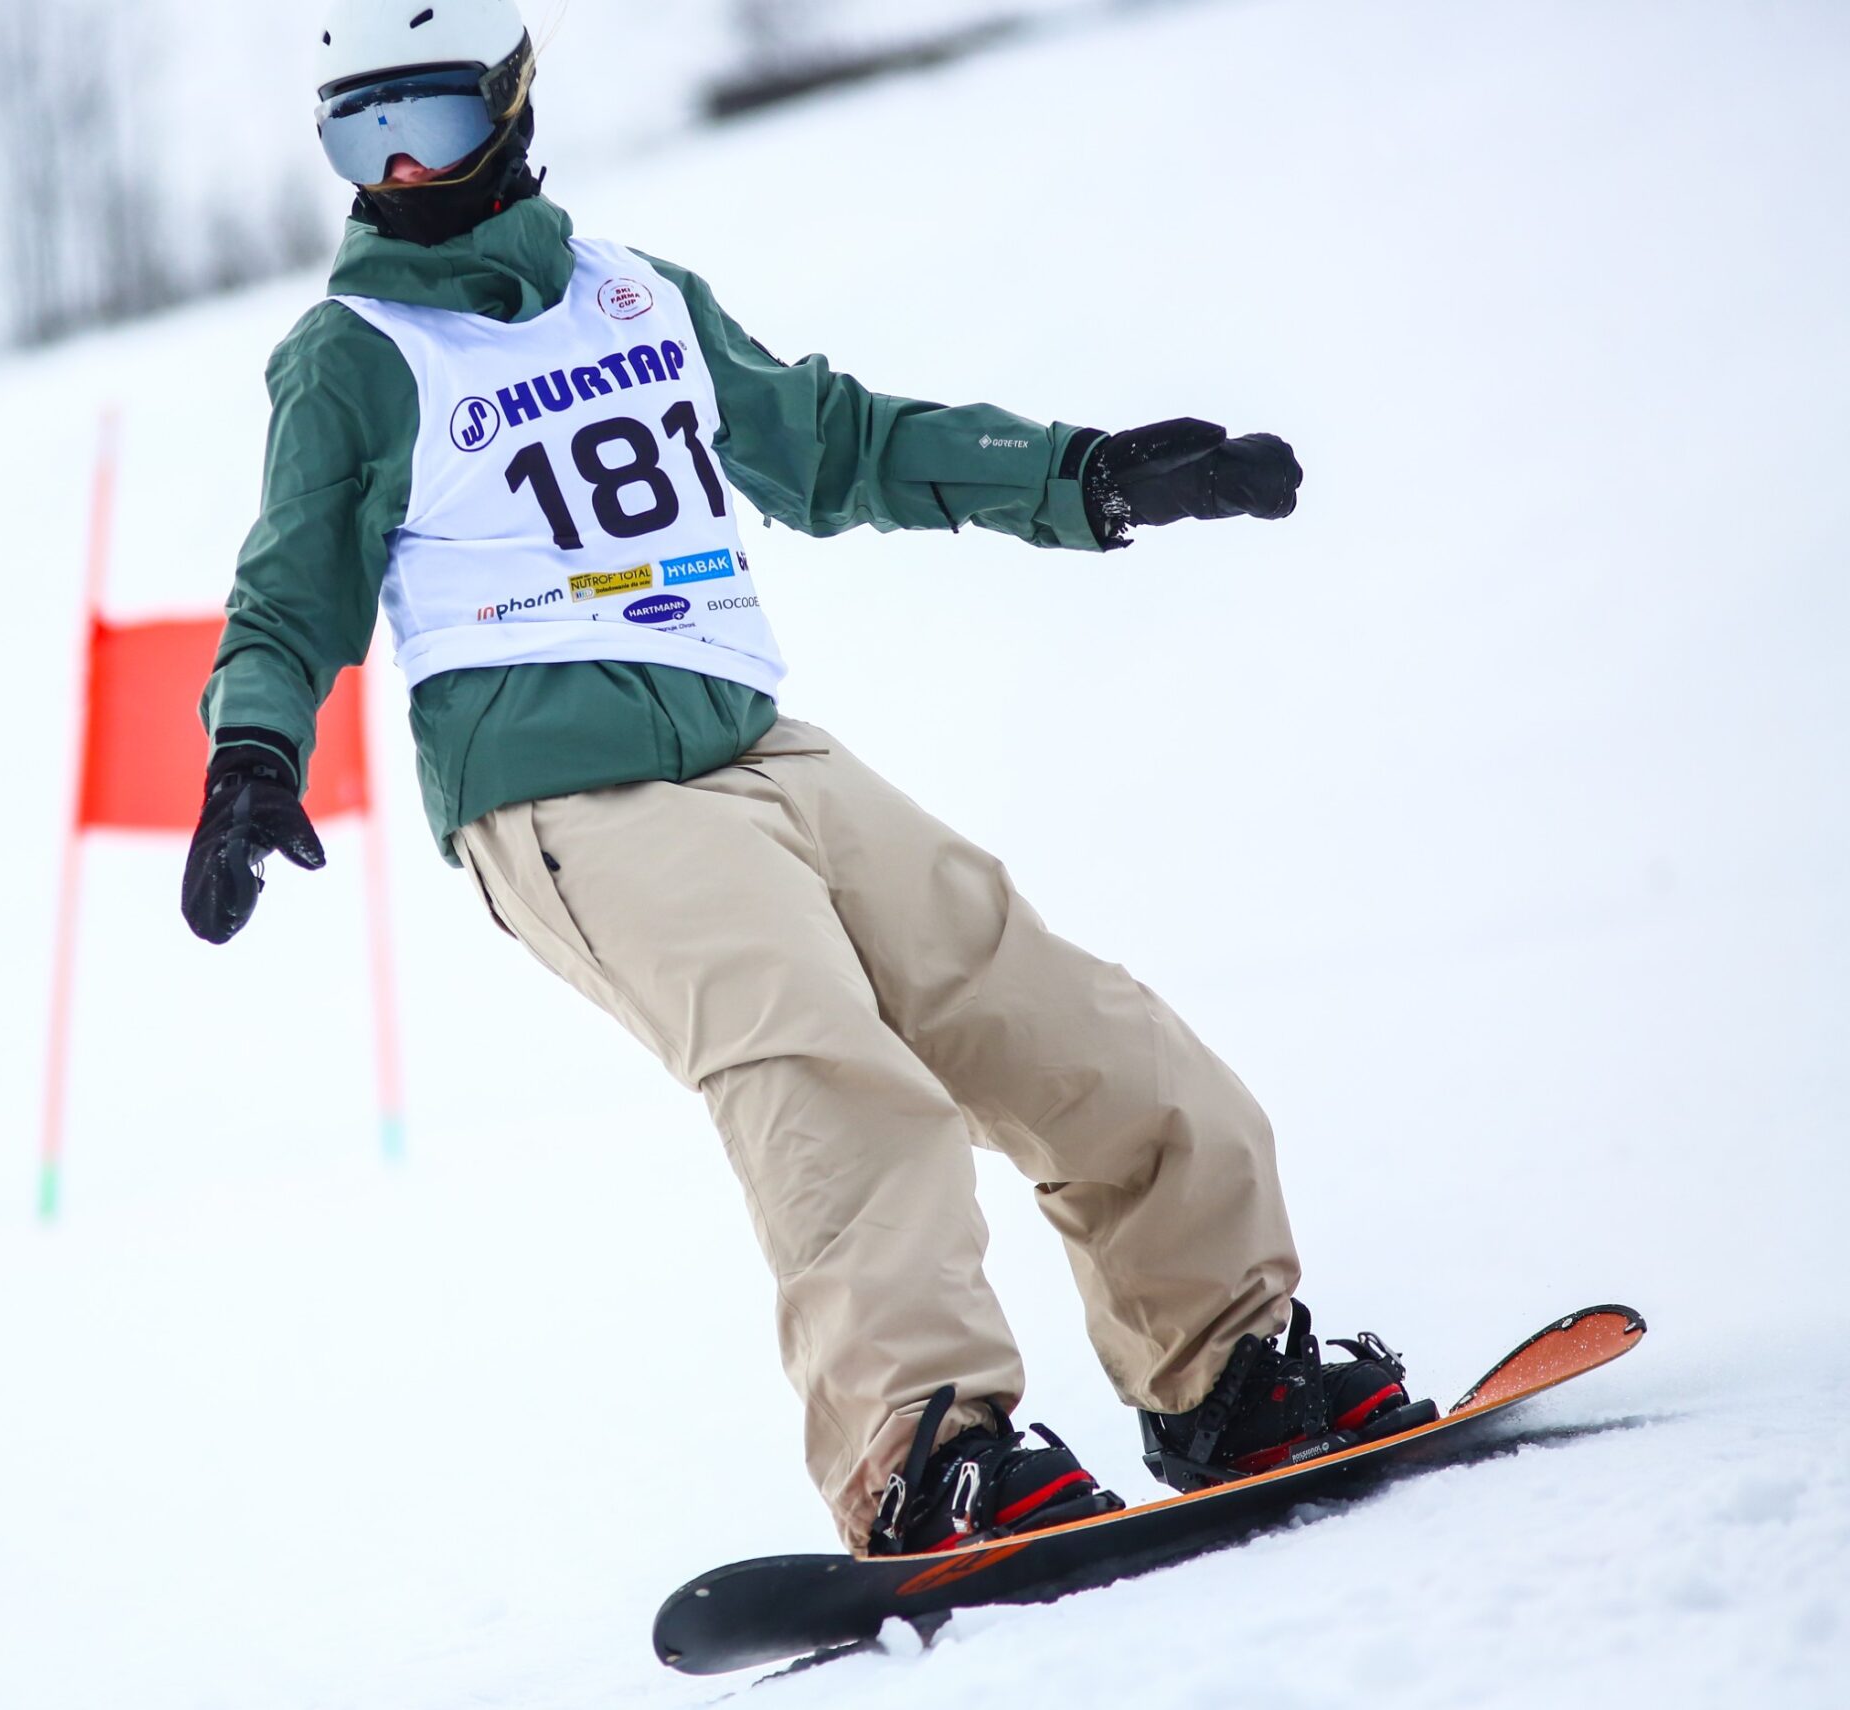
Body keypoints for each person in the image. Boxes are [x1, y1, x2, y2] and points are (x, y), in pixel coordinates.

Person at [186, 0, 1430, 1557]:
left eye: (424, 120)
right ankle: (922, 1447)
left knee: (1063, 1020)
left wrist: (1086, 475)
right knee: (829, 1072)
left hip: (756, 745)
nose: (403, 171)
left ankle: (1230, 1369)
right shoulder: (354, 357)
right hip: (565, 802)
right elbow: (289, 590)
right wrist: (252, 751)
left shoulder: (638, 295)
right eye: (360, 138)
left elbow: (836, 446)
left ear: (506, 104)